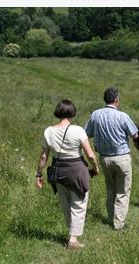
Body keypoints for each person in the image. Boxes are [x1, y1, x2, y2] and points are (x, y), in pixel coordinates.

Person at [36, 99, 99, 250]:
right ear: (72, 112)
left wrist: (38, 174)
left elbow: (44, 156)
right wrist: (95, 167)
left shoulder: (49, 131)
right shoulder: (78, 130)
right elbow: (90, 155)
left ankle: (71, 235)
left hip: (58, 170)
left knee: (66, 204)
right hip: (77, 170)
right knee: (79, 203)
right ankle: (73, 239)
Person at [85, 87, 138, 230]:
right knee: (123, 191)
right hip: (122, 158)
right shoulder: (122, 116)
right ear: (116, 100)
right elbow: (135, 135)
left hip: (104, 158)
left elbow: (86, 135)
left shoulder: (95, 115)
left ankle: (110, 218)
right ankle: (118, 223)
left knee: (111, 190)